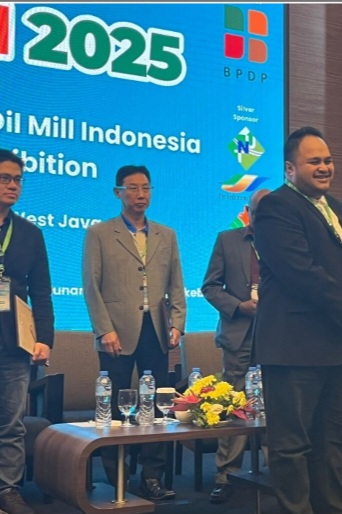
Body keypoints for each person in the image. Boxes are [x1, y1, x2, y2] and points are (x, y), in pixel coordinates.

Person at [253, 126, 342, 514]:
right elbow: (301, 272)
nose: (325, 167)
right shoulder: (276, 207)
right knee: (291, 446)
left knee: (334, 440)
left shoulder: (339, 209)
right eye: (314, 161)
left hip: (338, 347)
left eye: (328, 160)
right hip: (295, 347)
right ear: (290, 169)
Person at [82, 165, 186, 501]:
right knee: (114, 405)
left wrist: (177, 323)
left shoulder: (166, 234)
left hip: (156, 330)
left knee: (156, 404)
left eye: (145, 188)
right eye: (132, 188)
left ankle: (152, 476)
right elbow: (91, 287)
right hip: (116, 333)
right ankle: (117, 475)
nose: (140, 194)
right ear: (118, 193)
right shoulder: (99, 233)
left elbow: (177, 284)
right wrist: (104, 330)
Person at [201, 188, 270, 504]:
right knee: (234, 403)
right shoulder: (227, 240)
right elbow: (210, 287)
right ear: (248, 211)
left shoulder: (285, 243)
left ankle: (275, 473)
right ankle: (226, 475)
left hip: (277, 334)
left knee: (275, 402)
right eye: (258, 210)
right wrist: (238, 306)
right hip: (239, 332)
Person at [0, 150, 54, 514]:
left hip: (13, 343)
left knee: (11, 424)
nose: (13, 185)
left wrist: (44, 339)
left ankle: (7, 489)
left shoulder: (30, 233)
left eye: (17, 179)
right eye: (5, 178)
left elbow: (42, 292)